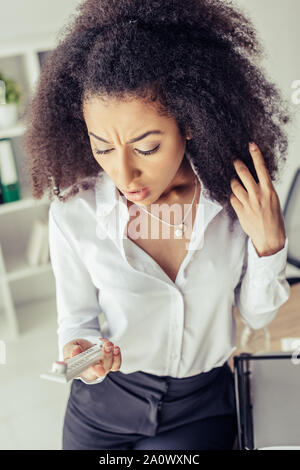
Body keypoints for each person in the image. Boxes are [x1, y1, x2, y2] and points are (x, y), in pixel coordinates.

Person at [23, 0, 292, 450]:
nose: (123, 176)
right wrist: (82, 354)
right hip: (103, 408)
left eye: (146, 147)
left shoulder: (234, 204)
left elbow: (256, 314)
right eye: (102, 148)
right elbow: (77, 320)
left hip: (201, 406)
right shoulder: (76, 212)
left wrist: (269, 245)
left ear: (190, 122)